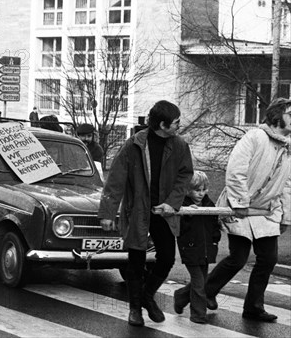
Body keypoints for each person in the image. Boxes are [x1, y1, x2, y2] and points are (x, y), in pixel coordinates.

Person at [98, 100, 193, 327]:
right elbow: (115, 181)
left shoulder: (179, 146)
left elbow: (185, 175)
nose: (179, 125)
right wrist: (107, 213)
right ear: (162, 124)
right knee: (136, 262)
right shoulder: (134, 146)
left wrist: (173, 203)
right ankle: (135, 310)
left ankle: (147, 296)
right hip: (138, 210)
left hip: (164, 212)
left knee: (167, 258)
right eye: (176, 122)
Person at [204, 98, 291, 323]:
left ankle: (253, 307)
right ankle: (201, 293)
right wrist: (240, 204)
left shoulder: (288, 146)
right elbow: (236, 171)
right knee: (238, 259)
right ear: (276, 116)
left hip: (266, 212)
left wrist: (286, 216)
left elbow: (287, 185)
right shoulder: (254, 137)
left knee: (268, 259)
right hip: (240, 208)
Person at [173, 171, 220, 324]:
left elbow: (214, 225)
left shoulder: (209, 205)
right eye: (196, 190)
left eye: (203, 190)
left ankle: (181, 297)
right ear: (188, 189)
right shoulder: (183, 206)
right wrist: (188, 214)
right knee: (199, 282)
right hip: (191, 249)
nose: (200, 194)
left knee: (201, 281)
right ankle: (198, 314)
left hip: (207, 249)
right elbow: (180, 229)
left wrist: (215, 238)